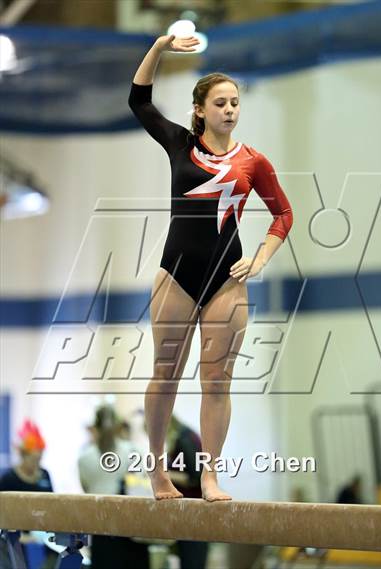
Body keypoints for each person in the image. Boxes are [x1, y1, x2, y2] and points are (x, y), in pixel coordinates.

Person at [128, 34, 293, 502]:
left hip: (226, 278)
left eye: (235, 102)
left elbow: (284, 214)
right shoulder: (180, 144)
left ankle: (210, 477)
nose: (229, 109)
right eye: (220, 103)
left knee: (217, 380)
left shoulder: (252, 161)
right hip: (176, 273)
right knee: (166, 373)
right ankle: (158, 472)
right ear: (199, 109)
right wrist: (159, 46)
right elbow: (138, 101)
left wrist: (260, 258)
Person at [78, 405, 151, 569]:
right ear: (118, 426)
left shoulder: (84, 457)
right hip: (130, 529)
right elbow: (141, 488)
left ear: (95, 428)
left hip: (102, 529)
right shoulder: (133, 451)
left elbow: (86, 488)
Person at [0, 420, 57, 569]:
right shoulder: (8, 479)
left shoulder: (45, 475)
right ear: (23, 455)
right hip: (15, 539)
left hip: (43, 538)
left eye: (40, 458)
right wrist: (25, 537)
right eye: (33, 459)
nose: (37, 463)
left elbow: (53, 507)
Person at [166, 415, 209, 568]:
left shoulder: (185, 439)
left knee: (193, 560)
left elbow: (195, 477)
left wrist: (164, 474)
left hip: (194, 511)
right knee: (189, 560)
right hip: (188, 509)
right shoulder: (184, 435)